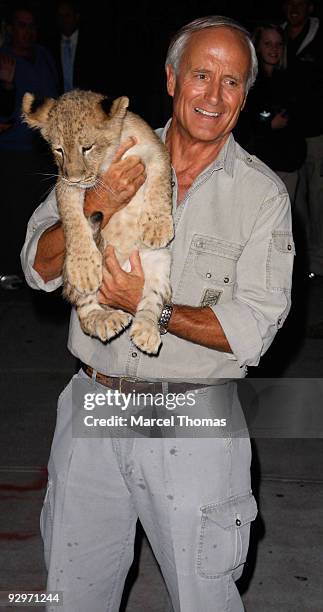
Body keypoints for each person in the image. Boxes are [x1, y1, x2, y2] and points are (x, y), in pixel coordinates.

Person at [21, 16, 294, 612]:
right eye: (201, 74)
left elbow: (256, 329)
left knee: (205, 598)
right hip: (94, 405)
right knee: (71, 596)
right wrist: (96, 203)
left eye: (232, 82)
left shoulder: (262, 197)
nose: (214, 96)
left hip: (192, 419)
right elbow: (37, 267)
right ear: (171, 79)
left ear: (246, 95)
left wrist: (153, 309)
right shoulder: (102, 151)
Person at [0, 4, 58, 280]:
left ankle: (37, 272)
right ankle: (10, 274)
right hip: (12, 152)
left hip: (44, 151)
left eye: (31, 26)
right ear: (11, 29)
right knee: (13, 214)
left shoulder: (44, 56)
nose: (27, 32)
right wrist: (7, 85)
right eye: (21, 25)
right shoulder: (4, 59)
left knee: (42, 213)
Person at [235, 23, 306, 204]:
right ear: (257, 46)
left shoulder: (291, 78)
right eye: (268, 44)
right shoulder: (247, 82)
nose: (274, 49)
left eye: (278, 44)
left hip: (287, 167)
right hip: (258, 168)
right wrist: (268, 124)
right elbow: (241, 125)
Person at [282, 0, 323, 278]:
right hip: (287, 138)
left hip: (318, 135)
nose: (294, 6)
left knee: (318, 199)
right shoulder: (277, 37)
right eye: (289, 2)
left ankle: (319, 262)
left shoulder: (320, 38)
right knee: (294, 204)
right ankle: (304, 262)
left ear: (310, 7)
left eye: (300, 1)